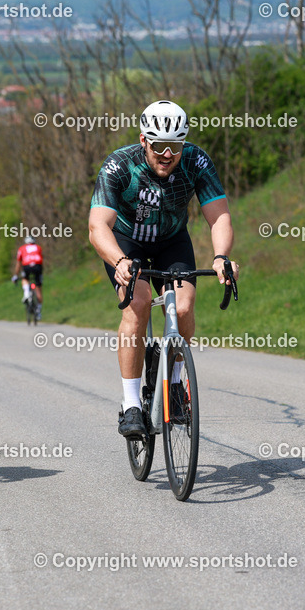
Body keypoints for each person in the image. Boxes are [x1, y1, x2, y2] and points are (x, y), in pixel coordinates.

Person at [88, 100, 237, 439]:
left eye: (175, 146)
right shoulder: (120, 165)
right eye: (159, 146)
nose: (167, 155)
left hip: (171, 240)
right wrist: (120, 262)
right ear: (144, 141)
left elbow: (220, 216)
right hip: (126, 243)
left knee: (183, 306)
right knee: (137, 306)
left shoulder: (197, 162)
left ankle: (175, 383)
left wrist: (220, 257)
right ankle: (131, 406)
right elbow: (98, 227)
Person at [12, 235, 44, 320]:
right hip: (37, 267)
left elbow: (19, 263)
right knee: (38, 288)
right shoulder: (38, 247)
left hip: (27, 267)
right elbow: (41, 260)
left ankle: (26, 294)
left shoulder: (22, 248)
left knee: (25, 279)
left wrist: (15, 275)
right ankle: (38, 310)